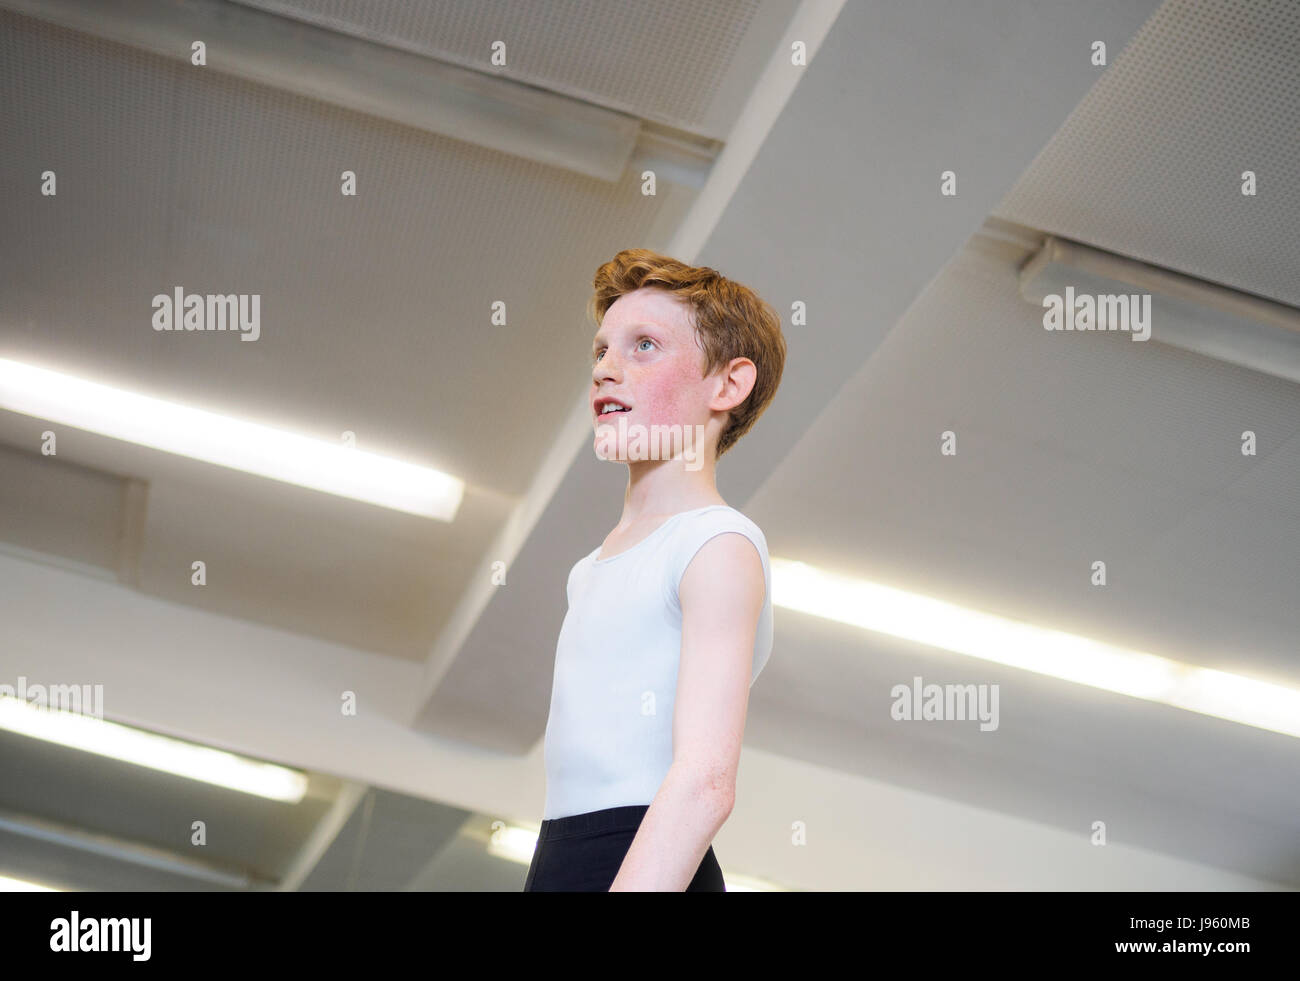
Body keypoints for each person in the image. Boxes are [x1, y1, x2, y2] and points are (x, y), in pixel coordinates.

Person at [524, 249, 787, 891]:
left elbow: (703, 784)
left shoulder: (716, 544)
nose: (607, 370)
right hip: (561, 855)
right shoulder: (590, 568)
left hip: (649, 863)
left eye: (643, 346)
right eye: (601, 350)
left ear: (727, 385)